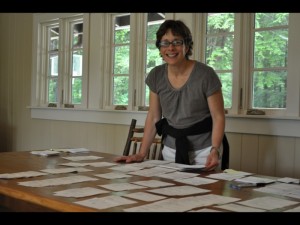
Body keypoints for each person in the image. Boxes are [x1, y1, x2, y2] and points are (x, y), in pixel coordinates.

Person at [115, 20, 228, 171]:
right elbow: (154, 116)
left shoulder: (205, 74)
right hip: (170, 150)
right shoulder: (156, 75)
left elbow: (218, 117)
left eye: (177, 42)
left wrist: (215, 150)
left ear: (186, 46)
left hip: (204, 151)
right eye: (165, 43)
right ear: (160, 48)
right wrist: (142, 153)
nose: (171, 48)